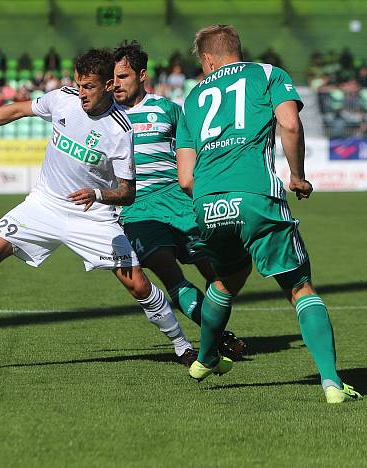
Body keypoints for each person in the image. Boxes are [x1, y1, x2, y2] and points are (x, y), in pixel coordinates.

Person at [0, 49, 196, 369]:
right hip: (44, 205)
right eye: (79, 84)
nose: (81, 93)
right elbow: (17, 109)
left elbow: (127, 194)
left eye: (89, 86)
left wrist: (98, 194)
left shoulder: (119, 130)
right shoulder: (63, 98)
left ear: (110, 85)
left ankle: (182, 346)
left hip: (93, 214)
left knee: (137, 284)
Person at [175, 24, 361, 404]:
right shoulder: (267, 74)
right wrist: (297, 176)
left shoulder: (193, 98)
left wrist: (215, 195)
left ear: (208, 58)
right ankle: (331, 383)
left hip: (207, 203)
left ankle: (206, 358)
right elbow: (290, 123)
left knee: (226, 280)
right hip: (257, 194)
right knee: (299, 286)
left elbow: (184, 178)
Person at [112, 40, 246, 359]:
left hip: (180, 204)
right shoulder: (105, 117)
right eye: (112, 78)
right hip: (138, 210)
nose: (116, 84)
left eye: (123, 76)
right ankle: (220, 337)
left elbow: (193, 151)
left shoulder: (168, 109)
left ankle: (215, 324)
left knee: (217, 272)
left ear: (142, 75)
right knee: (170, 275)